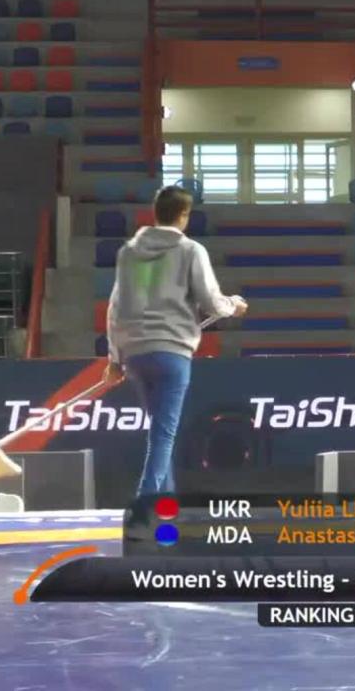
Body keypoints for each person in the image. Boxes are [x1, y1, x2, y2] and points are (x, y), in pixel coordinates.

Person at [104, 185, 248, 498]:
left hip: (135, 353)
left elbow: (115, 308)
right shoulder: (190, 250)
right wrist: (233, 306)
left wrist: (115, 360)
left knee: (159, 431)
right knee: (163, 434)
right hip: (171, 352)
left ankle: (165, 502)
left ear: (155, 213)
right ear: (184, 215)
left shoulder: (129, 252)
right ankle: (145, 502)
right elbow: (211, 301)